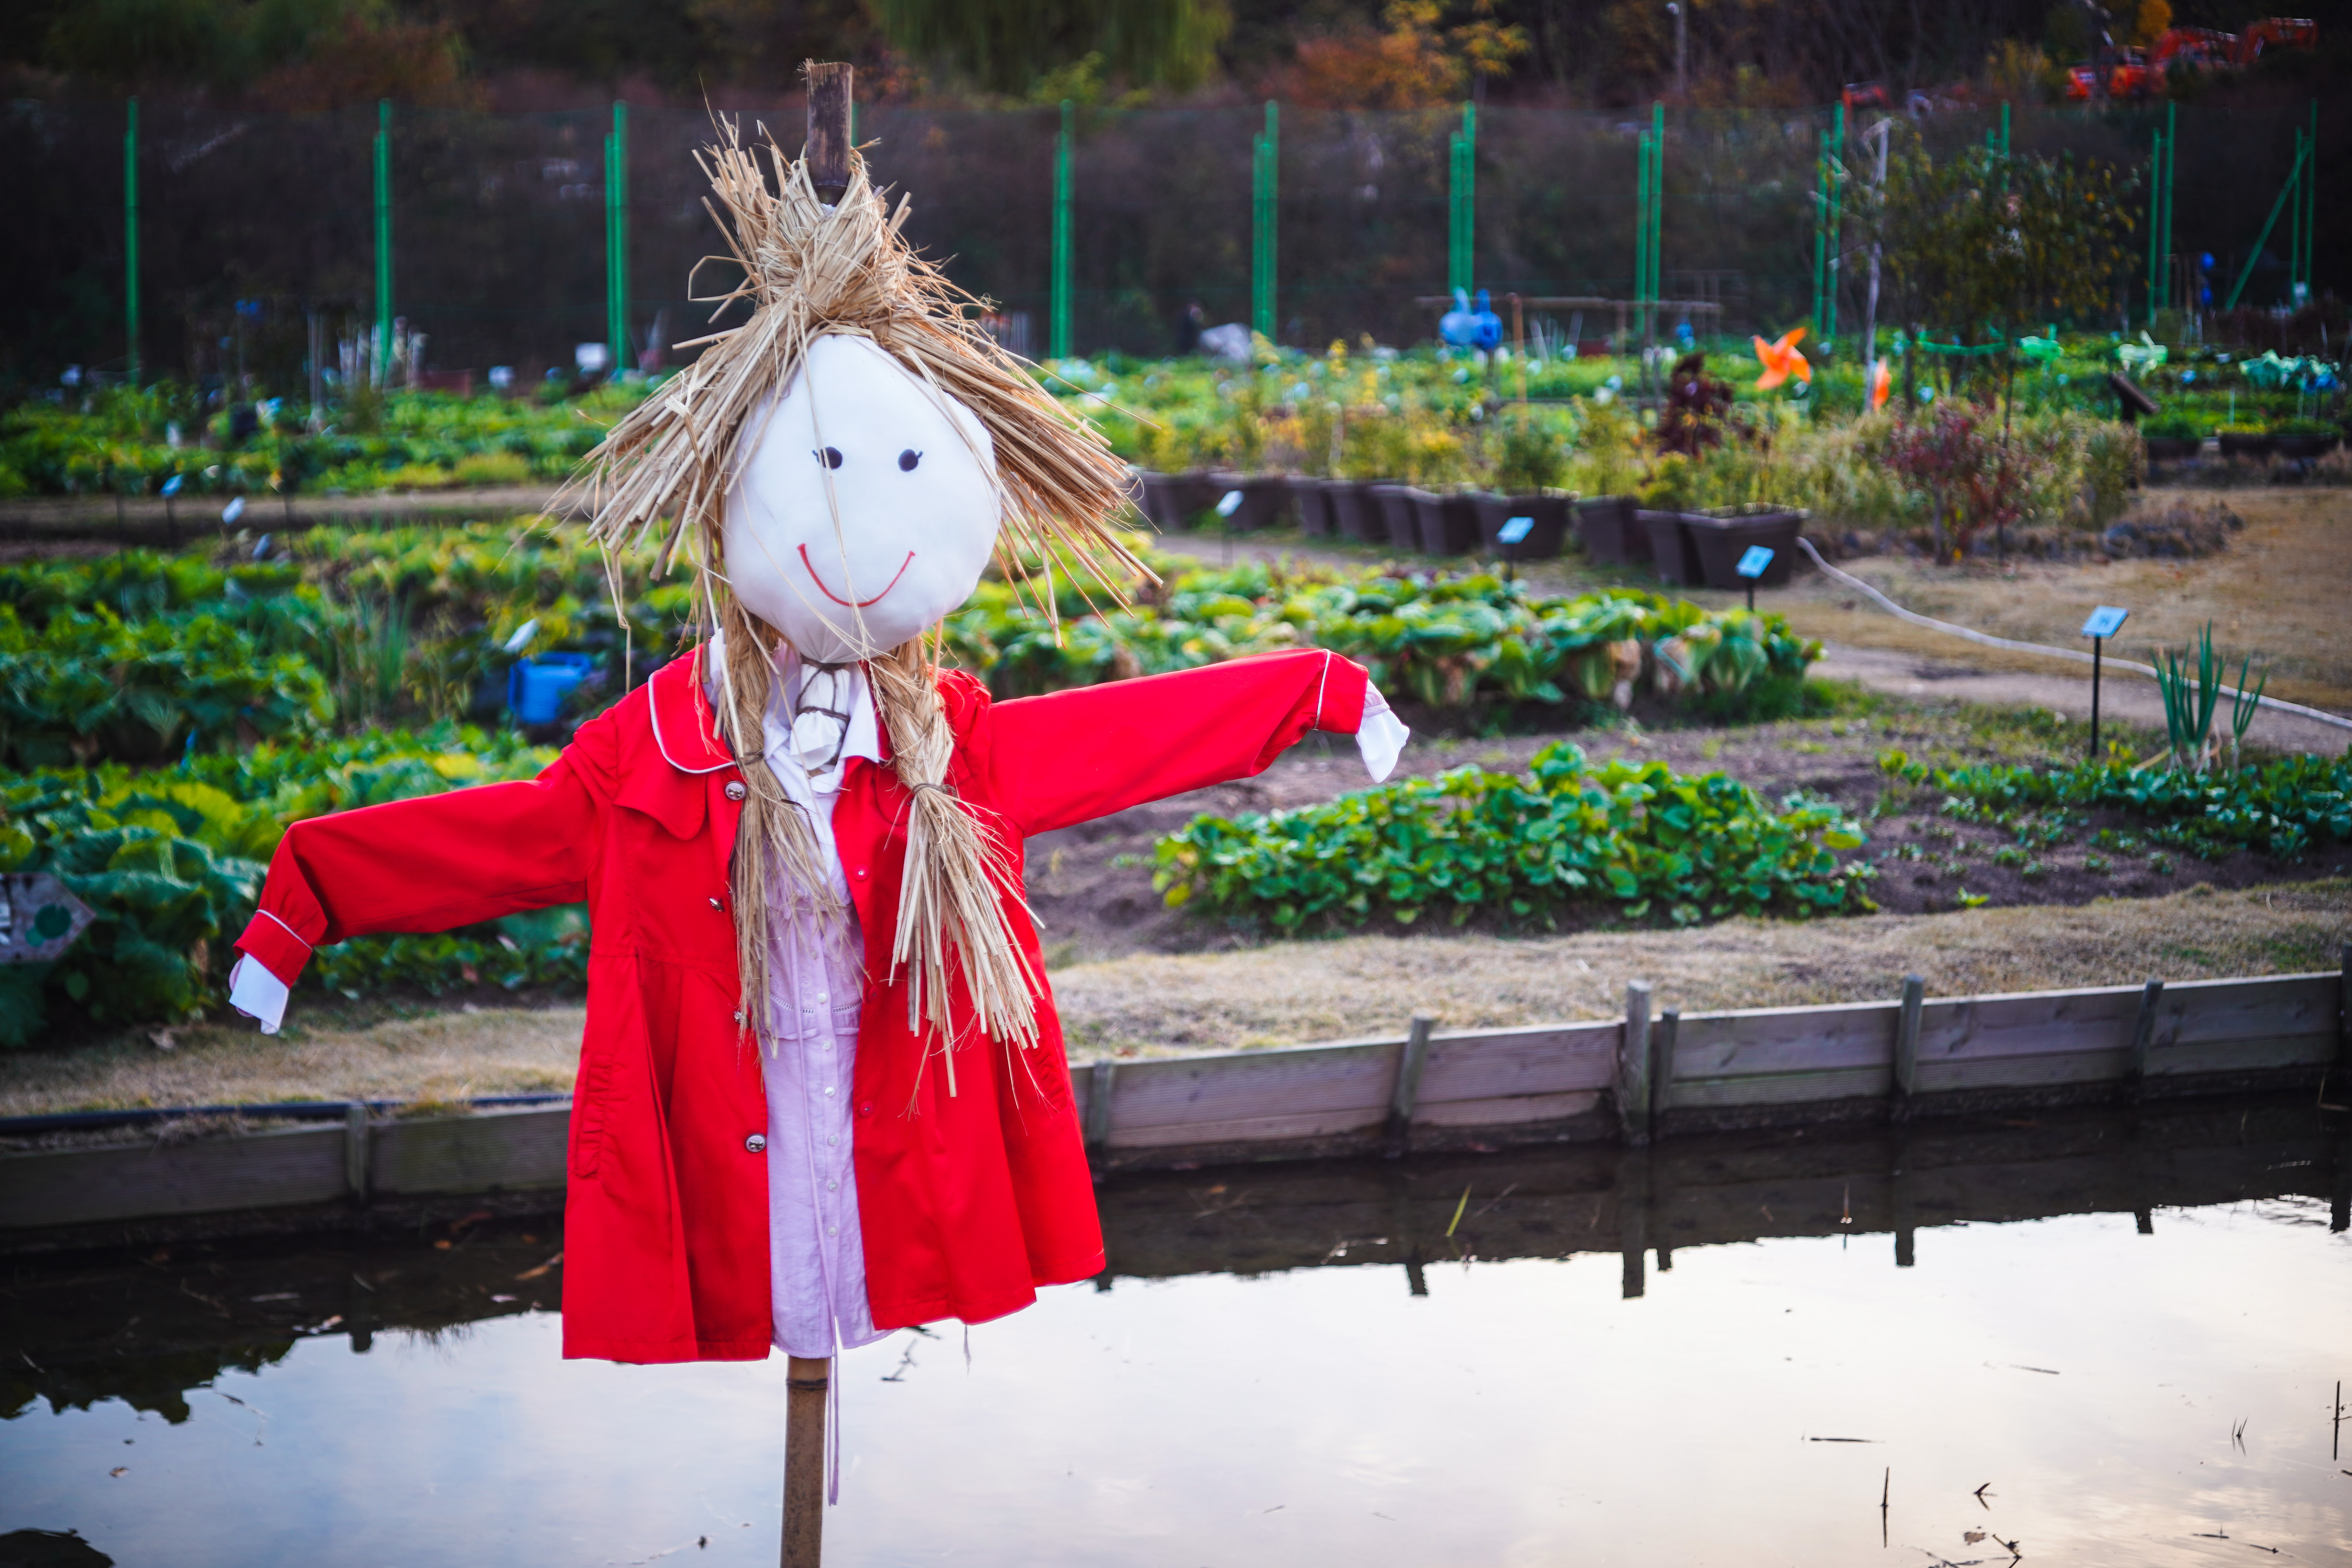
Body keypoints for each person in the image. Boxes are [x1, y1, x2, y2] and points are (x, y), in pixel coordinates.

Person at [224, 128, 1408, 1369]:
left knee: (865, 1255)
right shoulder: (658, 752)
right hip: (728, 1109)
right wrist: (308, 898)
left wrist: (1312, 692)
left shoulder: (944, 746)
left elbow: (1130, 737)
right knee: (765, 1267)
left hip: (888, 1100)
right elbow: (496, 841)